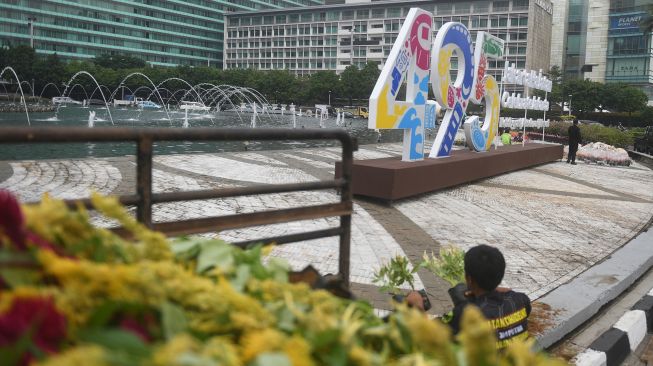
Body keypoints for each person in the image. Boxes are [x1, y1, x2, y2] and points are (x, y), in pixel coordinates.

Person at [407, 245, 531, 349]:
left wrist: (418, 307)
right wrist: (496, 290)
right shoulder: (520, 300)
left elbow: (429, 333)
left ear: (469, 279)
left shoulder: (465, 314)